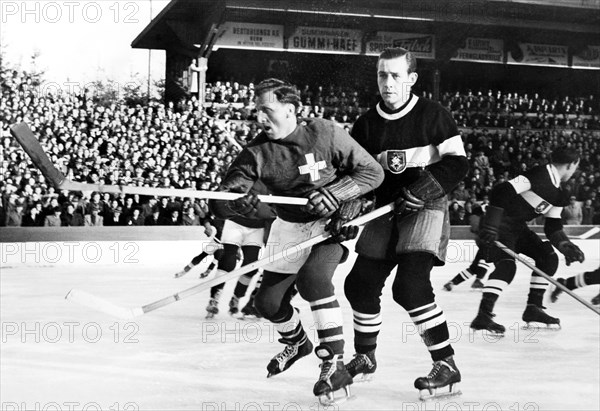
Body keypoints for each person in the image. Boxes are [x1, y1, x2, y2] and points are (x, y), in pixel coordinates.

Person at [209, 78, 384, 402]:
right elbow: (222, 195)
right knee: (267, 304)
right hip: (288, 227)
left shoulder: (325, 133)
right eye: (256, 110)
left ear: (290, 109)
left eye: (267, 110)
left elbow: (373, 173)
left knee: (313, 280)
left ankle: (334, 362)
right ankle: (299, 342)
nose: (259, 118)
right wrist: (238, 200)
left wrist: (336, 194)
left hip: (331, 225)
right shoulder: (256, 152)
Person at [342, 48, 469, 401]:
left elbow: (458, 163)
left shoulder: (433, 114)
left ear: (412, 79)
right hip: (386, 209)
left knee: (410, 287)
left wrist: (427, 186)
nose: (388, 83)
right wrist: (349, 206)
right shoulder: (366, 124)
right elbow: (360, 175)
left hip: (426, 205)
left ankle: (446, 364)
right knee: (359, 284)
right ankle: (365, 357)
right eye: (383, 75)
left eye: (396, 76)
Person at [470, 146, 585, 335]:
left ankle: (534, 309)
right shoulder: (539, 174)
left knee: (547, 257)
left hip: (517, 228)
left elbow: (552, 227)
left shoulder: (559, 194)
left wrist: (566, 246)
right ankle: (483, 315)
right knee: (507, 266)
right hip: (498, 225)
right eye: (575, 167)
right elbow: (501, 191)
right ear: (572, 164)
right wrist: (490, 226)